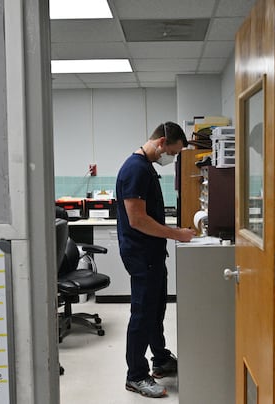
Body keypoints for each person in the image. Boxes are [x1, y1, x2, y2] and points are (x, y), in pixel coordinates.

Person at [116, 121, 196, 398]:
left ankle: (160, 358)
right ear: (162, 143)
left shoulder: (146, 168)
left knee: (156, 308)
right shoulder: (135, 169)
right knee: (143, 313)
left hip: (151, 252)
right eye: (172, 153)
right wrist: (177, 235)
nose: (171, 159)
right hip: (141, 254)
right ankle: (135, 376)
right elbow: (137, 220)